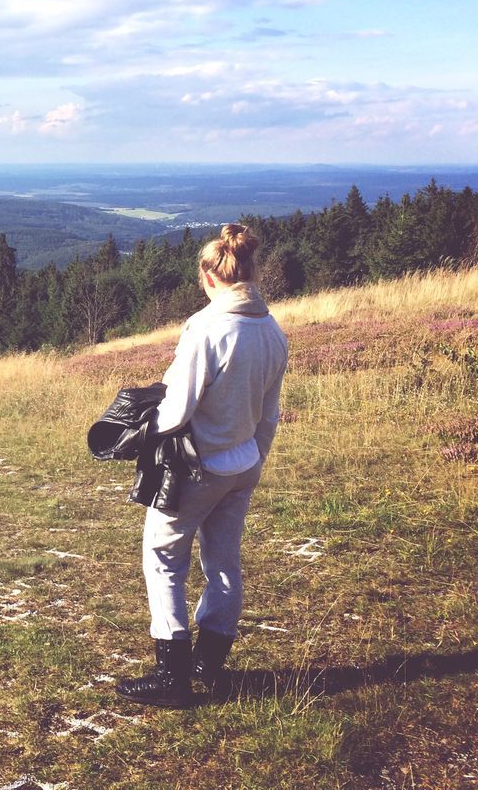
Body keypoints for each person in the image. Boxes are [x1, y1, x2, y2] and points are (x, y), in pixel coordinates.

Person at [116, 223, 288, 707]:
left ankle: (172, 679)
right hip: (244, 463)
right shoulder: (273, 331)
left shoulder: (207, 328)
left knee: (164, 556)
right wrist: (253, 460)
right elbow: (269, 414)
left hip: (197, 468)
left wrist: (142, 427)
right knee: (224, 562)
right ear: (250, 272)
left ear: (209, 277)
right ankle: (208, 665)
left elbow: (176, 409)